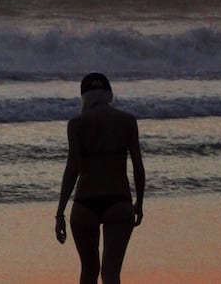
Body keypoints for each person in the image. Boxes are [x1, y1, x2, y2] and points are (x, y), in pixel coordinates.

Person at [56, 73, 145, 284]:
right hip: (119, 200)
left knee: (89, 271)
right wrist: (139, 202)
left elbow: (72, 170)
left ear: (84, 96)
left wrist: (60, 212)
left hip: (85, 203)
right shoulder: (127, 121)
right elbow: (138, 167)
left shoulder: (76, 124)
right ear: (109, 94)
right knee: (111, 273)